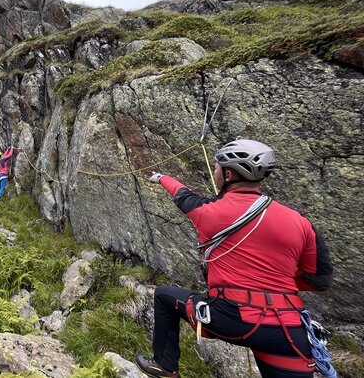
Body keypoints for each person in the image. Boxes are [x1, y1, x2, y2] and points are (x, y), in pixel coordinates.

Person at [136, 139, 333, 378]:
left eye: (217, 167)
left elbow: (182, 195)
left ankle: (165, 367)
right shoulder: (301, 222)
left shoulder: (208, 212)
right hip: (288, 330)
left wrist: (161, 178)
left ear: (228, 174)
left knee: (165, 296)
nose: (215, 170)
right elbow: (319, 280)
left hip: (232, 318)